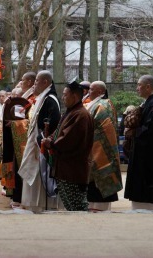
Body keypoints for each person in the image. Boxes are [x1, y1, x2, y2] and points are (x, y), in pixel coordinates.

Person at [41, 80, 95, 211]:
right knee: (71, 204)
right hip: (66, 168)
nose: (63, 98)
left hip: (72, 169)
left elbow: (68, 139)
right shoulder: (72, 112)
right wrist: (49, 138)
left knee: (76, 206)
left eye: (65, 95)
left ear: (75, 96)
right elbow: (59, 131)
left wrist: (51, 143)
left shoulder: (81, 115)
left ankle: (84, 229)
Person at [18, 70, 61, 212]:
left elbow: (54, 122)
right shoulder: (42, 98)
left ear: (45, 82)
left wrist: (42, 140)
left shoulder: (50, 100)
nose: (34, 84)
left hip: (41, 147)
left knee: (39, 175)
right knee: (31, 174)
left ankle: (41, 205)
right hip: (35, 144)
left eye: (36, 81)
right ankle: (32, 204)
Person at [124, 75, 153, 211]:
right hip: (142, 152)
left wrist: (134, 132)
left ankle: (145, 208)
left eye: (139, 85)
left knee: (145, 186)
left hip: (148, 156)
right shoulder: (149, 102)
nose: (137, 89)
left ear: (148, 87)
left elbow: (152, 129)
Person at [84, 81, 123, 211]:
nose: (89, 91)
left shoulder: (104, 105)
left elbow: (105, 129)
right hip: (90, 147)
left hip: (101, 149)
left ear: (100, 91)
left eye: (91, 89)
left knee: (101, 178)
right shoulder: (93, 104)